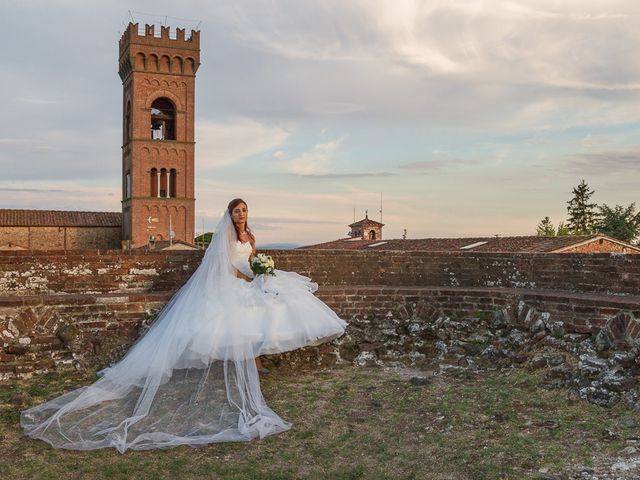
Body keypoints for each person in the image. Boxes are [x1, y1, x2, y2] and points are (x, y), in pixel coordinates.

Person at [21, 198, 347, 453]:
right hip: (230, 284)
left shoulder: (251, 235)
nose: (240, 214)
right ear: (230, 215)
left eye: (244, 210)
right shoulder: (226, 236)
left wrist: (261, 271)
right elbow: (226, 266)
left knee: (265, 315)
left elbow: (250, 260)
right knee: (241, 320)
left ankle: (254, 362)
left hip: (248, 280)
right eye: (236, 211)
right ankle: (249, 364)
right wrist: (245, 277)